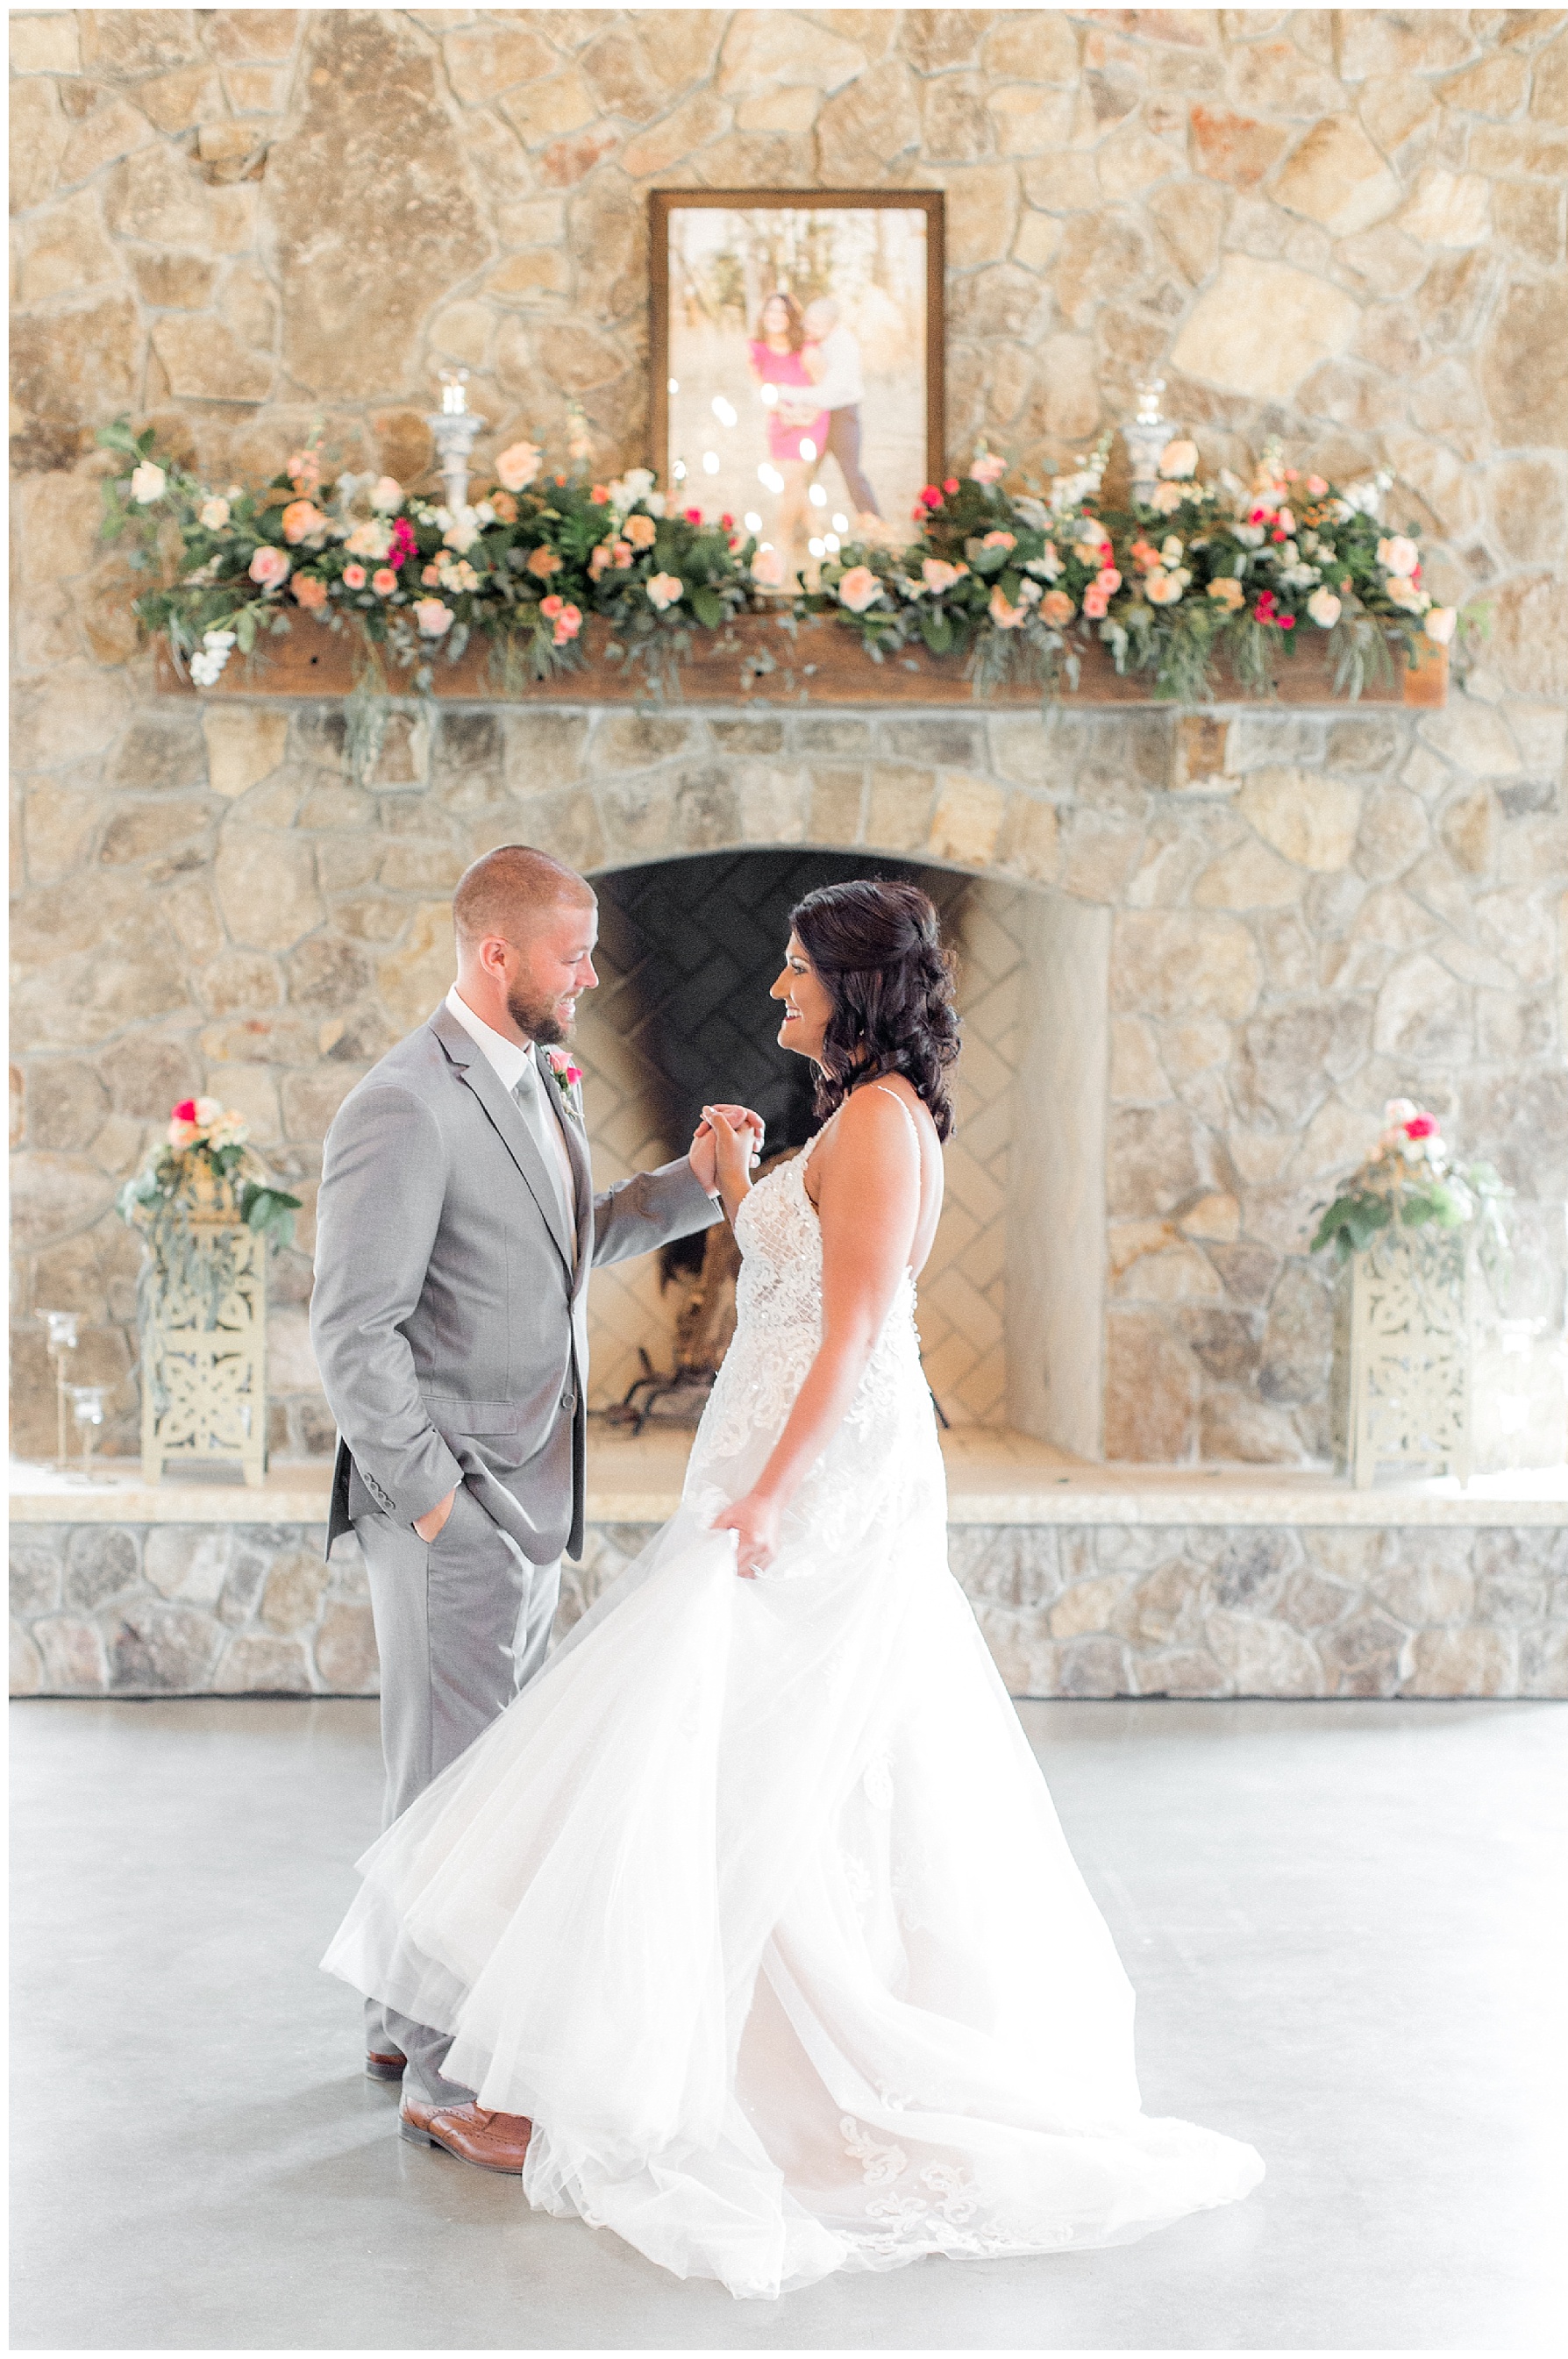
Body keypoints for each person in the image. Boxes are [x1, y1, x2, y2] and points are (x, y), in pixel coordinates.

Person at [324, 880, 1264, 2298]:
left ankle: (649, 2080)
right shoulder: (855, 1115)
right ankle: (564, 2048)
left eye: (792, 975)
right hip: (757, 1471)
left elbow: (861, 1325)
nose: (774, 995)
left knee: (737, 1760)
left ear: (850, 983)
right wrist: (731, 1186)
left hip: (809, 1489)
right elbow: (781, 1268)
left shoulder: (883, 1123)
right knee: (723, 1760)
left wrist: (769, 1490)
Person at [310, 843, 761, 2171]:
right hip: (455, 1499)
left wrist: (686, 1185)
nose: (593, 973)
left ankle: (403, 2012)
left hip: (529, 1496)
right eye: (573, 953)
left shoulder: (532, 1078)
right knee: (469, 1783)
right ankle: (453, 2081)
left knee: (454, 1778)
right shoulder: (403, 1103)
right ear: (496, 953)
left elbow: (570, 1235)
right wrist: (439, 1501)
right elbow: (352, 1332)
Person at [746, 289, 827, 576]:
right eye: (771, 311)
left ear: (791, 318)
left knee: (791, 481)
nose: (775, 317)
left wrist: (805, 414)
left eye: (782, 312)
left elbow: (825, 391)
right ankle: (819, 535)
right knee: (795, 486)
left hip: (810, 421)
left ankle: (781, 543)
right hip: (780, 422)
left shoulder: (806, 350)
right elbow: (761, 391)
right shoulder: (756, 350)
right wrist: (782, 411)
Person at [802, 294, 881, 521]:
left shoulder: (844, 346)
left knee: (851, 472)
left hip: (841, 415)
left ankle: (873, 520)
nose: (809, 327)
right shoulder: (812, 341)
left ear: (833, 324)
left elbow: (829, 393)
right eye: (808, 321)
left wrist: (786, 393)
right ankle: (798, 523)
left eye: (816, 324)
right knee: (804, 472)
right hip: (815, 414)